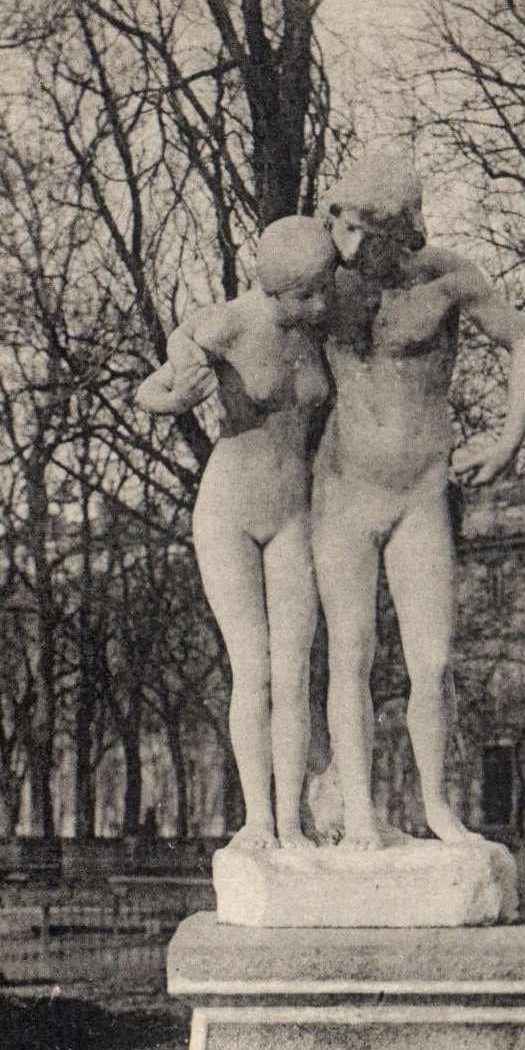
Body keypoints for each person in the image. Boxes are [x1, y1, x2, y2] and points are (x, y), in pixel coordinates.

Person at [311, 156, 525, 849]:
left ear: (403, 231)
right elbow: (247, 324)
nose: (351, 248)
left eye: (367, 234)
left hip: (419, 490)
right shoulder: (323, 279)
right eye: (342, 228)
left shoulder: (447, 277)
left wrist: (507, 440)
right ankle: (357, 814)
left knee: (434, 661)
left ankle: (439, 809)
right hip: (344, 490)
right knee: (350, 651)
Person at [136, 215, 336, 850]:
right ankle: (258, 823)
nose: (320, 302)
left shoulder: (316, 330)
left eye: (323, 289)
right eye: (308, 293)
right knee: (253, 670)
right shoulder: (232, 321)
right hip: (227, 512)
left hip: (293, 514)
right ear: (274, 289)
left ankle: (292, 825)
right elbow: (154, 387)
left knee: (296, 670)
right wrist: (179, 392)